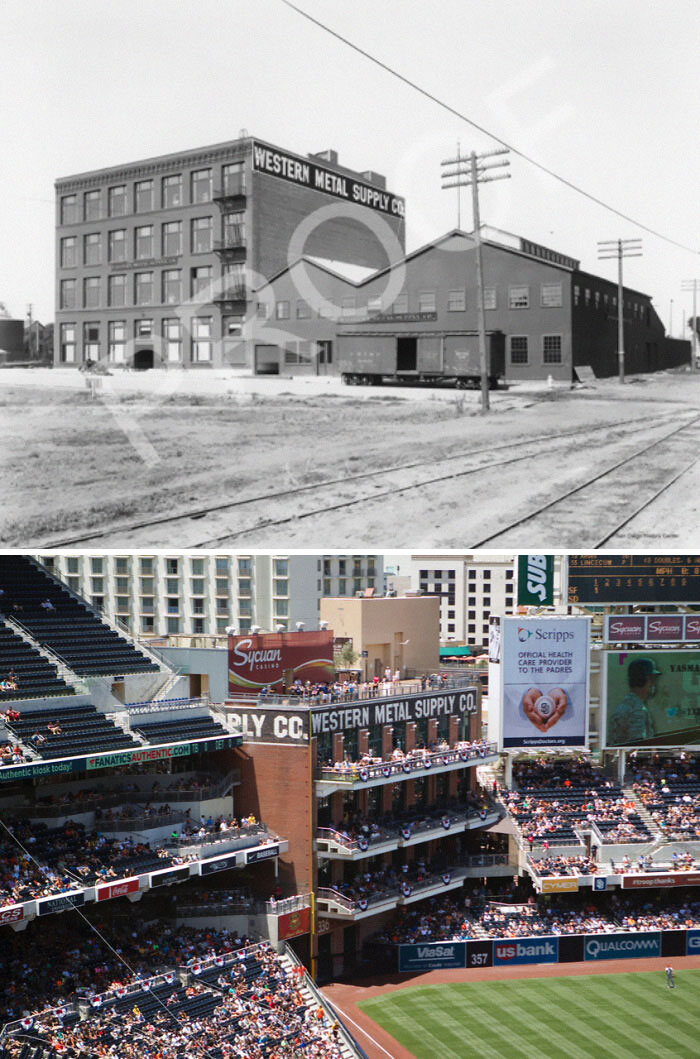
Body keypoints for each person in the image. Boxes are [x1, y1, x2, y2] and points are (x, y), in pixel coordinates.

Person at [609, 658, 661, 745]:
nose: (653, 684)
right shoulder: (638, 709)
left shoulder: (626, 704)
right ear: (646, 680)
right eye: (652, 679)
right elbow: (639, 744)